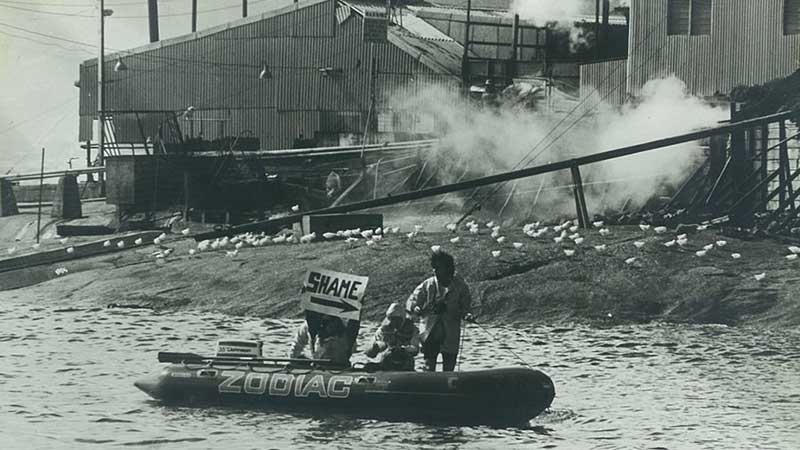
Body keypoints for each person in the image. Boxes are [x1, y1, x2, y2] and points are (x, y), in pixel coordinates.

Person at [406, 250, 473, 372]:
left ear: (449, 269)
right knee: (428, 364)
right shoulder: (427, 285)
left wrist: (467, 315)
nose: (435, 271)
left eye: (438, 268)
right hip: (429, 331)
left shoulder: (461, 286)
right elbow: (412, 301)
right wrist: (415, 307)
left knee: (449, 365)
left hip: (450, 330)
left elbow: (466, 308)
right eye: (434, 268)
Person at [364, 302, 420, 371]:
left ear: (402, 318)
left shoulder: (412, 329)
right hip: (387, 361)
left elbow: (415, 349)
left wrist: (402, 349)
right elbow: (369, 352)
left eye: (396, 319)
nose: (393, 322)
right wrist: (377, 347)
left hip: (405, 361)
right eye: (391, 319)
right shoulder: (383, 329)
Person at [288, 310, 353, 367]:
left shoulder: (343, 325)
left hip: (339, 364)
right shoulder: (310, 326)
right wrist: (295, 360)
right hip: (319, 364)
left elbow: (353, 347)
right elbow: (296, 346)